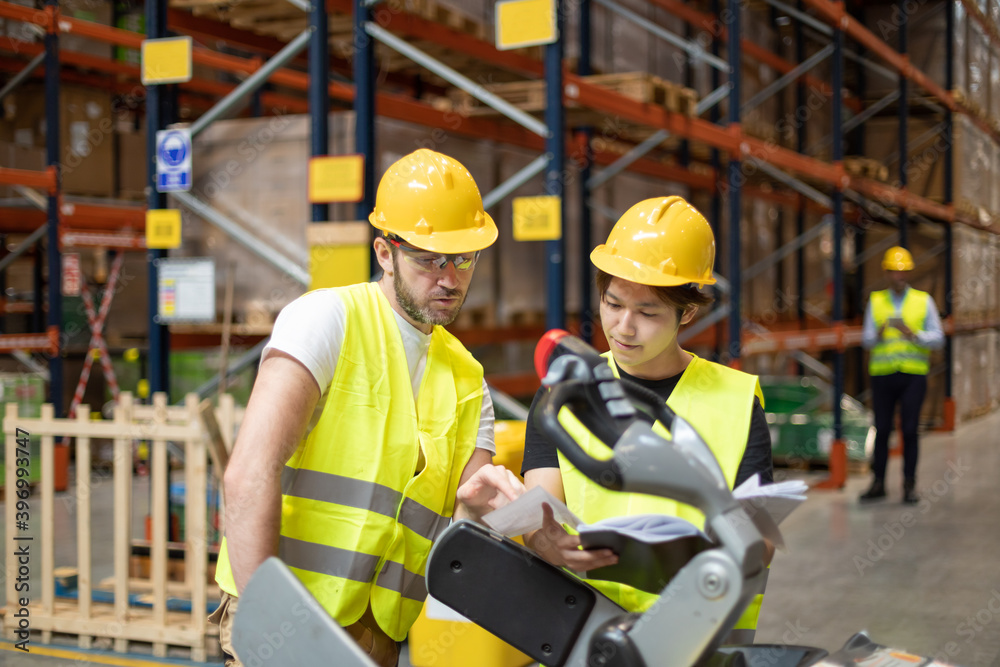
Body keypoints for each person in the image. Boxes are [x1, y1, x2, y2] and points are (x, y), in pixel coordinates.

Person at [210, 149, 525, 667]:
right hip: (287, 613)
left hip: (379, 633)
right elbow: (249, 475)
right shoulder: (326, 320)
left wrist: (496, 514)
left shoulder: (469, 378)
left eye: (463, 258)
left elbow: (465, 522)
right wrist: (268, 622)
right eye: (429, 259)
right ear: (385, 252)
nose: (449, 277)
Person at [520, 196, 773, 644]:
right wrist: (542, 539)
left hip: (698, 639)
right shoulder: (565, 387)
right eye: (613, 304)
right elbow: (541, 512)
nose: (623, 327)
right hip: (581, 636)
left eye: (648, 313)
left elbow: (760, 543)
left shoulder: (736, 400)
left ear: (688, 313)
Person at [859, 246, 945, 505]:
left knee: (909, 430)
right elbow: (865, 341)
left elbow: (939, 338)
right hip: (883, 376)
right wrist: (880, 333)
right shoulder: (876, 301)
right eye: (895, 272)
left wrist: (914, 335)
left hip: (912, 377)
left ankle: (909, 485)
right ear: (886, 272)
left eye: (904, 272)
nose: (900, 276)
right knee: (882, 430)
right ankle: (878, 484)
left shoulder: (923, 301)